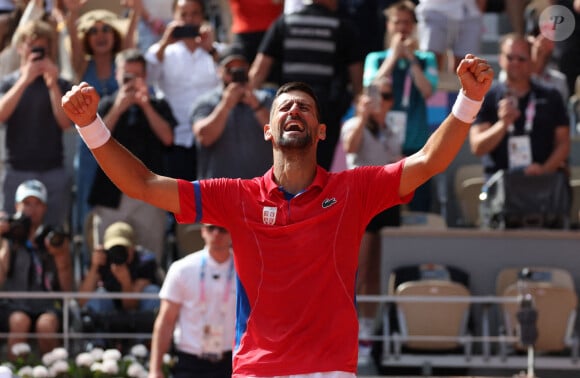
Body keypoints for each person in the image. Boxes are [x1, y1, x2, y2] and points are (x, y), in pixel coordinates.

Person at [62, 53, 493, 376]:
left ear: (322, 132)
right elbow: (142, 185)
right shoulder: (237, 197)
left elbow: (428, 162)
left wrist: (469, 101)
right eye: (284, 107)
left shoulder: (353, 189)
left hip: (330, 369)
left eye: (305, 108)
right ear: (267, 129)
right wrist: (90, 126)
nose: (294, 111)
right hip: (258, 369)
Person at [249, 0, 364, 171]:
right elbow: (357, 80)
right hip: (325, 114)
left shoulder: (284, 23)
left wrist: (247, 99)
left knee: (287, 167)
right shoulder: (342, 27)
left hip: (288, 111)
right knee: (318, 172)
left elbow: (258, 72)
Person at [88, 48, 176, 262]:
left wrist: (145, 104)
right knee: (107, 257)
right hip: (112, 193)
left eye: (137, 76)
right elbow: (93, 141)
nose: (131, 81)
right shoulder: (107, 103)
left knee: (150, 257)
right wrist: (118, 108)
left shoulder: (158, 105)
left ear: (145, 77)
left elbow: (168, 138)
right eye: (127, 76)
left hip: (151, 193)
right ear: (116, 75)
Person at [64, 2, 138, 254]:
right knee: (88, 212)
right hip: (88, 155)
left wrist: (137, 10)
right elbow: (72, 43)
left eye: (106, 29)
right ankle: (89, 267)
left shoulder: (122, 62)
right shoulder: (82, 66)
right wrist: (72, 12)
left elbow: (130, 45)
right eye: (93, 31)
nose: (101, 35)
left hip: (121, 147)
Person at [339, 76, 402, 364]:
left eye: (387, 97)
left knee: (380, 269)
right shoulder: (354, 125)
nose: (382, 102)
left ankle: (369, 329)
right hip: (360, 201)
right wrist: (363, 116)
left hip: (386, 202)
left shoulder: (392, 129)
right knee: (360, 268)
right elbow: (350, 148)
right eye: (378, 95)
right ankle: (353, 331)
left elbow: (397, 162)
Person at [364, 0, 438, 212]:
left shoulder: (426, 59)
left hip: (416, 143)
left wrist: (412, 60)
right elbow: (371, 89)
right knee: (382, 211)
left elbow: (427, 90)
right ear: (388, 25)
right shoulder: (375, 59)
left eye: (407, 23)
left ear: (414, 27)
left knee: (419, 208)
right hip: (384, 143)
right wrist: (393, 57)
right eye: (397, 22)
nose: (402, 28)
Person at [0, 19, 72, 228]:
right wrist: (25, 79)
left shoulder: (61, 83)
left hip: (53, 170)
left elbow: (66, 123)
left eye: (42, 48)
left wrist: (52, 85)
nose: (37, 53)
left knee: (52, 236)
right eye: (33, 47)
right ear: (20, 47)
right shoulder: (8, 82)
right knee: (12, 232)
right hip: (17, 170)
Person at [469, 33, 569, 178]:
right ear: (500, 59)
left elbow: (563, 143)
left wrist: (544, 169)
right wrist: (503, 124)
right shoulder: (488, 97)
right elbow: (477, 147)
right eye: (510, 57)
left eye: (521, 59)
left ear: (531, 61)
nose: (515, 63)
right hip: (501, 186)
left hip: (544, 185)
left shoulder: (551, 96)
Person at [145, 0, 220, 182]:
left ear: (203, 17)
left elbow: (229, 79)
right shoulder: (161, 51)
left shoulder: (217, 51)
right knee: (178, 202)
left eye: (194, 14)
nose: (189, 20)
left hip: (212, 138)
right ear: (174, 18)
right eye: (183, 15)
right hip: (175, 139)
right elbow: (147, 78)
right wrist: (165, 42)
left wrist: (211, 49)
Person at [149, 223, 235, 378]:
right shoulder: (182, 268)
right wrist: (155, 369)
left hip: (232, 360)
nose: (216, 234)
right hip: (191, 360)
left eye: (222, 229)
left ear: (232, 232)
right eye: (211, 228)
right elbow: (166, 319)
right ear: (202, 231)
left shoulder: (246, 268)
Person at [0, 179, 73, 361]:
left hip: (47, 306)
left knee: (46, 326)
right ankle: (14, 372)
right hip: (13, 305)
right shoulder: (7, 239)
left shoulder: (53, 237)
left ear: (45, 207)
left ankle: (53, 372)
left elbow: (67, 289)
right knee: (19, 321)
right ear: (17, 206)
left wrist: (60, 256)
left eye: (37, 203)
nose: (31, 209)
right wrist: (3, 242)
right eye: (26, 203)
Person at [191, 45, 273, 179]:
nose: (236, 74)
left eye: (241, 68)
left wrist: (256, 105)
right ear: (219, 71)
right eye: (230, 70)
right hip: (219, 192)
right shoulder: (205, 102)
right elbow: (204, 137)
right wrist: (226, 105)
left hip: (261, 191)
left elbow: (280, 136)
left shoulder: (265, 100)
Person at [77, 221, 161, 341]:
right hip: (108, 313)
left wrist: (125, 282)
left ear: (132, 247)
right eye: (113, 248)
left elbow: (131, 307)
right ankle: (97, 346)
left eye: (123, 248)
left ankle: (145, 345)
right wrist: (94, 267)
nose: (118, 253)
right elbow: (82, 301)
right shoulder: (102, 260)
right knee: (100, 295)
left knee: (152, 292)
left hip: (138, 315)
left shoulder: (145, 261)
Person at [415, 0, 483, 72]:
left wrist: (480, 9)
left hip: (470, 12)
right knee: (431, 64)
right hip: (434, 9)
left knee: (465, 66)